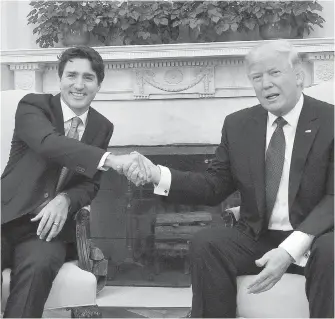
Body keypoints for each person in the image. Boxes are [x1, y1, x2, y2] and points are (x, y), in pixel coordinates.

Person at [122, 40, 334, 318]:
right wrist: (156, 173)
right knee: (207, 243)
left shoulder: (330, 120)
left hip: (315, 237)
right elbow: (213, 186)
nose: (265, 84)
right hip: (259, 236)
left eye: (274, 73)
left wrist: (289, 251)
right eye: (256, 77)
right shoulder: (239, 124)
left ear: (298, 76)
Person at [1, 46, 147, 318]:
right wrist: (111, 160)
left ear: (99, 85)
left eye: (88, 78)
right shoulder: (34, 106)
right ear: (60, 78)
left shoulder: (102, 126)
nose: (78, 85)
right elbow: (49, 144)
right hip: (5, 217)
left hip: (47, 231)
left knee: (38, 268)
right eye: (71, 75)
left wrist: (65, 200)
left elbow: (90, 185)